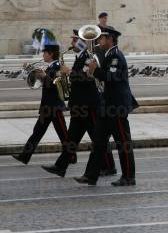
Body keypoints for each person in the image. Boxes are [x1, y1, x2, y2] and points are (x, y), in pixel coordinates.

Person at [41, 30, 116, 177]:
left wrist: (69, 73)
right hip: (79, 105)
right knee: (71, 138)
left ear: (82, 42)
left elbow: (88, 77)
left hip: (89, 106)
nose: (72, 44)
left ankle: (109, 166)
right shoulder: (80, 57)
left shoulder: (88, 57)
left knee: (97, 137)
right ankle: (61, 166)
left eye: (75, 41)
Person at [75, 26, 138, 186]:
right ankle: (91, 175)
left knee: (123, 143)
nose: (98, 40)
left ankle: (129, 177)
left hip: (116, 107)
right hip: (107, 106)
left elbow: (112, 77)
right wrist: (93, 70)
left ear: (110, 39)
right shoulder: (108, 55)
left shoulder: (115, 56)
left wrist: (95, 71)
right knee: (98, 142)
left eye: (101, 38)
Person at [12, 43, 71, 165]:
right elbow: (38, 81)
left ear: (50, 54)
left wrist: (45, 77)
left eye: (44, 53)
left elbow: (58, 84)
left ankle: (71, 156)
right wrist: (29, 69)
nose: (43, 55)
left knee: (64, 134)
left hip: (55, 107)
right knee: (37, 132)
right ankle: (25, 156)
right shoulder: (49, 67)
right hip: (47, 107)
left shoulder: (59, 66)